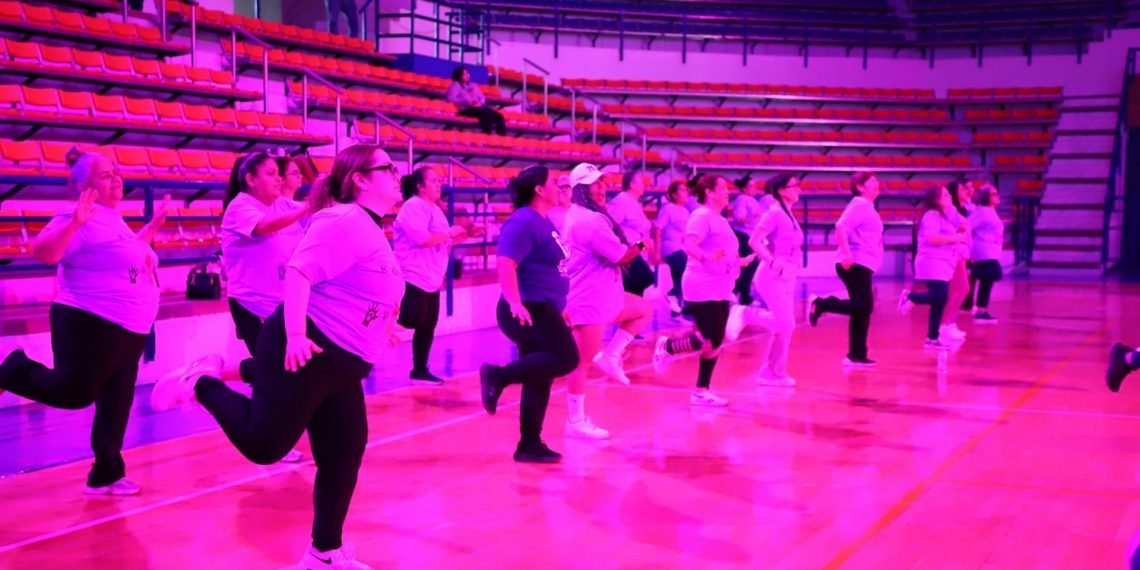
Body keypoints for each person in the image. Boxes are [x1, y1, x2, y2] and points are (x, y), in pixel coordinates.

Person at [152, 144, 406, 570]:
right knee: (265, 444)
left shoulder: (368, 226)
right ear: (360, 180)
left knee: (344, 453)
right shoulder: (343, 220)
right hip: (311, 348)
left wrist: (384, 325)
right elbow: (300, 272)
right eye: (388, 168)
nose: (398, 174)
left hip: (343, 363)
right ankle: (202, 382)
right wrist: (295, 335)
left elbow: (358, 289)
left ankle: (324, 553)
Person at [0, 150, 169, 495]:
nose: (116, 179)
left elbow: (122, 257)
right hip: (90, 320)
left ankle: (106, 473)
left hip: (129, 326)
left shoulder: (112, 219)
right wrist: (74, 222)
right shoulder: (76, 215)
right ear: (83, 186)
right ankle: (11, 368)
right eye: (106, 175)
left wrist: (152, 228)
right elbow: (44, 252)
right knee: (74, 393)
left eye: (116, 172)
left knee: (116, 401)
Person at [478, 165, 579, 463]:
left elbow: (548, 268)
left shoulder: (543, 220)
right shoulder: (523, 221)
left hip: (544, 307)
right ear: (539, 189)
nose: (559, 187)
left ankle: (529, 444)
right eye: (553, 183)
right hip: (529, 308)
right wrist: (514, 302)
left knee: (540, 374)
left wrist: (561, 307)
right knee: (567, 358)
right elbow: (505, 263)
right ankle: (498, 375)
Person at [220, 153, 311, 464]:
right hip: (252, 305)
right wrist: (306, 208)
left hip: (285, 306)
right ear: (250, 179)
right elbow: (262, 227)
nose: (279, 179)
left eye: (278, 173)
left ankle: (216, 374)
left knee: (289, 370)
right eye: (271, 173)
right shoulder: (241, 207)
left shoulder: (283, 205)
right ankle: (210, 381)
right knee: (275, 373)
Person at [560, 163, 653, 439]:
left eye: (602, 183)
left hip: (603, 294)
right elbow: (622, 255)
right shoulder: (590, 221)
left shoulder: (582, 214)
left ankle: (612, 356)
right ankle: (576, 421)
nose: (602, 188)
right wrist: (642, 244)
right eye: (595, 184)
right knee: (582, 362)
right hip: (589, 299)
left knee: (643, 309)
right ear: (580, 190)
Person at [652, 174, 753, 406]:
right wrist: (707, 257)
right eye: (723, 188)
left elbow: (724, 253)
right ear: (709, 192)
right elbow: (689, 245)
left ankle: (699, 387)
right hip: (701, 284)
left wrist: (739, 261)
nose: (728, 192)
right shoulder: (701, 216)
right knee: (713, 337)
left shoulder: (721, 219)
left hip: (721, 286)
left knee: (715, 339)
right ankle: (670, 351)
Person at [393, 165, 469, 385]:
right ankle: (381, 322)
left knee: (427, 325)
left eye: (439, 180)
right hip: (412, 273)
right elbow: (422, 239)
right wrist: (448, 233)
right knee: (413, 317)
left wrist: (461, 236)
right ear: (421, 186)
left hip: (432, 276)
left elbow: (441, 241)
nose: (439, 184)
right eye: (433, 181)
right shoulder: (413, 206)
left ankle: (419, 370)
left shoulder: (435, 209)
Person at [725, 173, 802, 387]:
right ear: (781, 191)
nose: (799, 189)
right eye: (794, 186)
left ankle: (772, 374)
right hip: (772, 275)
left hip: (787, 275)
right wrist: (771, 260)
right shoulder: (775, 212)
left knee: (784, 328)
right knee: (787, 323)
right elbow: (754, 241)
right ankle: (745, 313)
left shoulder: (789, 214)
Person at [808, 171, 883, 368]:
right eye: (872, 181)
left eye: (877, 180)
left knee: (861, 310)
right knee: (864, 306)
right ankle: (822, 304)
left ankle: (856, 355)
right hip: (854, 262)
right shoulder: (860, 204)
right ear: (860, 187)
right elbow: (841, 227)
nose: (877, 184)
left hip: (863, 263)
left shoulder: (867, 206)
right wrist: (846, 253)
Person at [898, 185, 969, 350]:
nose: (949, 196)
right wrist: (955, 237)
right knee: (940, 296)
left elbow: (964, 225)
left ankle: (932, 338)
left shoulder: (946, 215)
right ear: (936, 200)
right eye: (945, 195)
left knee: (939, 301)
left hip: (943, 263)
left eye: (949, 194)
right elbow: (932, 238)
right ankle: (911, 297)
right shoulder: (932, 215)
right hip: (931, 262)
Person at [609, 170, 659, 299]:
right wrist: (641, 244)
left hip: (639, 252)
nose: (644, 185)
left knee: (641, 284)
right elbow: (611, 227)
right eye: (641, 182)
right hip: (629, 252)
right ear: (632, 185)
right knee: (645, 278)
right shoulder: (621, 201)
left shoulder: (634, 203)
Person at [940, 177, 974, 342]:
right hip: (955, 252)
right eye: (962, 189)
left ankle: (950, 324)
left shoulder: (963, 210)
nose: (966, 191)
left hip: (962, 252)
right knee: (963, 288)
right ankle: (944, 324)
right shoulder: (951, 211)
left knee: (957, 290)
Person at [968, 184, 1003, 323]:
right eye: (994, 194)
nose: (997, 196)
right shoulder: (983, 212)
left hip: (990, 249)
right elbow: (967, 226)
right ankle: (967, 272)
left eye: (997, 193)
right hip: (983, 249)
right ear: (986, 197)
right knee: (995, 273)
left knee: (987, 281)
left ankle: (981, 311)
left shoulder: (990, 211)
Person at [655, 179, 691, 317]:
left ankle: (677, 312)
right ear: (674, 194)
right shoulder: (668, 209)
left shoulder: (685, 211)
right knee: (688, 271)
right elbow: (657, 229)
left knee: (679, 279)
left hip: (682, 249)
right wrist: (657, 252)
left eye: (686, 190)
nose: (686, 192)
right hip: (671, 248)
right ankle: (671, 295)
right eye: (682, 190)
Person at [731, 177, 763, 306]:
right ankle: (738, 291)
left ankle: (742, 294)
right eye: (751, 186)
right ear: (744, 188)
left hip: (751, 236)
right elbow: (739, 218)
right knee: (750, 264)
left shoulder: (753, 200)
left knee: (750, 265)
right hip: (743, 235)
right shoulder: (742, 199)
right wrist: (755, 217)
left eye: (755, 186)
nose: (754, 188)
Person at [447, 66, 506, 136]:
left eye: (467, 73)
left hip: (478, 107)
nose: (467, 75)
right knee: (485, 113)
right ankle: (487, 135)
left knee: (499, 116)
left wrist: (479, 103)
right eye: (464, 74)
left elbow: (482, 98)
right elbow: (451, 99)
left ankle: (502, 137)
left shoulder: (473, 85)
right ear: (459, 75)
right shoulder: (455, 85)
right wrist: (466, 102)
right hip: (466, 109)